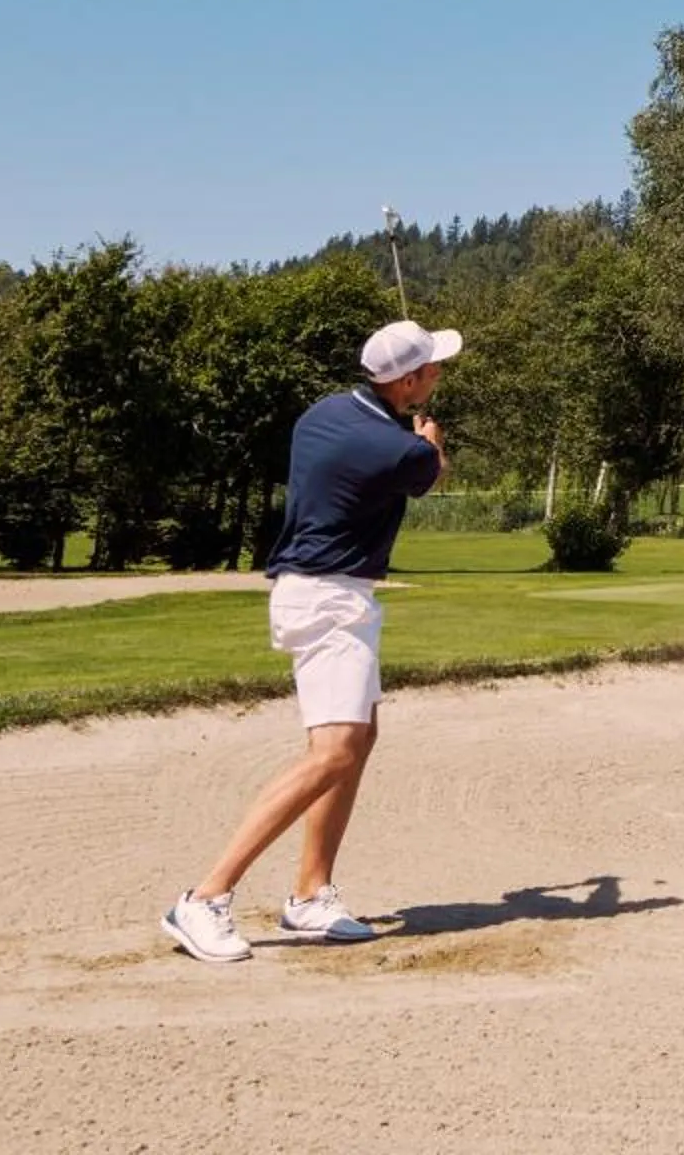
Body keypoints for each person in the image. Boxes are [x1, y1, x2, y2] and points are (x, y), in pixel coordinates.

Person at [162, 318, 461, 963]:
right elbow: (432, 473)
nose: (440, 372)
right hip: (330, 599)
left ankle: (310, 893)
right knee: (334, 751)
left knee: (357, 741)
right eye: (432, 366)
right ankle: (205, 897)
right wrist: (429, 444)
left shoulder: (321, 414)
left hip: (322, 591)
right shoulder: (401, 448)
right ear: (407, 381)